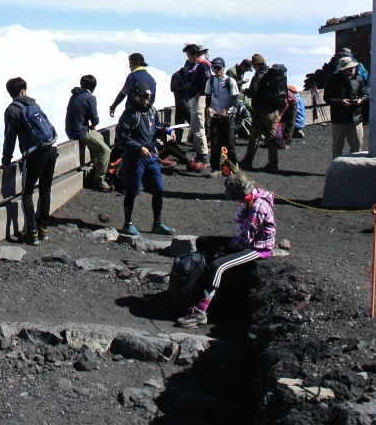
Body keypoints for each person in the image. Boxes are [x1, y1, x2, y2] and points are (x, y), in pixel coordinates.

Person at [175, 172, 276, 328]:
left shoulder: (258, 206)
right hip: (248, 242)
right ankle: (200, 289)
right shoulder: (250, 200)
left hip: (258, 248)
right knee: (203, 242)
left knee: (217, 265)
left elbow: (245, 241)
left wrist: (223, 249)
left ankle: (201, 310)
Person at [2, 77, 59, 245]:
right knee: (45, 190)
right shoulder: (34, 105)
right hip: (50, 150)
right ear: (23, 90)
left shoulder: (12, 110)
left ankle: (31, 232)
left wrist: (6, 162)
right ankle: (43, 229)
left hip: (33, 154)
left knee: (26, 193)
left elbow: (10, 138)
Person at [114, 81, 174, 237]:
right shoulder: (130, 114)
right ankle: (128, 223)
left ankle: (157, 223)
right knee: (132, 191)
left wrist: (164, 131)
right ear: (135, 96)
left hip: (151, 156)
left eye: (148, 96)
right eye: (142, 96)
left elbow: (153, 130)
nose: (146, 99)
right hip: (135, 157)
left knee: (158, 188)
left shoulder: (152, 111)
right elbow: (121, 136)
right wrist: (138, 147)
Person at [66, 75, 113, 192]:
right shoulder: (90, 98)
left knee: (99, 137)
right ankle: (99, 180)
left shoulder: (74, 96)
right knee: (105, 150)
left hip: (70, 129)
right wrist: (92, 125)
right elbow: (95, 120)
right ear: (94, 87)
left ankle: (97, 167)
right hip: (80, 131)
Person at [241, 54, 284, 171]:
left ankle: (247, 161)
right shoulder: (273, 74)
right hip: (274, 111)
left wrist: (245, 91)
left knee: (254, 136)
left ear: (256, 64)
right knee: (271, 138)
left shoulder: (259, 76)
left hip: (262, 111)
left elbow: (252, 92)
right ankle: (273, 164)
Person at [324, 57, 367, 157]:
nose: (352, 70)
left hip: (356, 118)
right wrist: (341, 102)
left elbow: (365, 94)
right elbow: (327, 98)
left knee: (357, 146)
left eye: (353, 68)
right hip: (339, 118)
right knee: (337, 146)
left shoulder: (359, 79)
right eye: (349, 69)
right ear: (342, 69)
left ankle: (355, 169)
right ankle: (336, 168)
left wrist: (361, 99)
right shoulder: (332, 80)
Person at [183, 44, 214, 171]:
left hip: (198, 99)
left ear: (195, 54)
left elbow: (207, 80)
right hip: (193, 98)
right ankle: (200, 154)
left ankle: (204, 157)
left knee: (199, 127)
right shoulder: (196, 64)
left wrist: (199, 93)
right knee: (195, 127)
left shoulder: (203, 64)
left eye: (189, 55)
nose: (188, 57)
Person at [207, 57, 240, 165]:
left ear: (223, 68)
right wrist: (208, 107)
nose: (217, 70)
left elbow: (235, 98)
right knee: (215, 143)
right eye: (214, 67)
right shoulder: (210, 81)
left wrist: (225, 110)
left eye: (219, 68)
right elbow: (207, 95)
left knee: (229, 142)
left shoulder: (230, 81)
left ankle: (233, 166)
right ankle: (215, 167)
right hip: (215, 115)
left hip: (228, 116)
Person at [109, 52, 156, 117]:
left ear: (138, 63)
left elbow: (123, 93)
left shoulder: (132, 76)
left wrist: (113, 107)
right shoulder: (152, 79)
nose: (129, 66)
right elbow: (153, 98)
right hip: (147, 114)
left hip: (132, 114)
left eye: (130, 63)